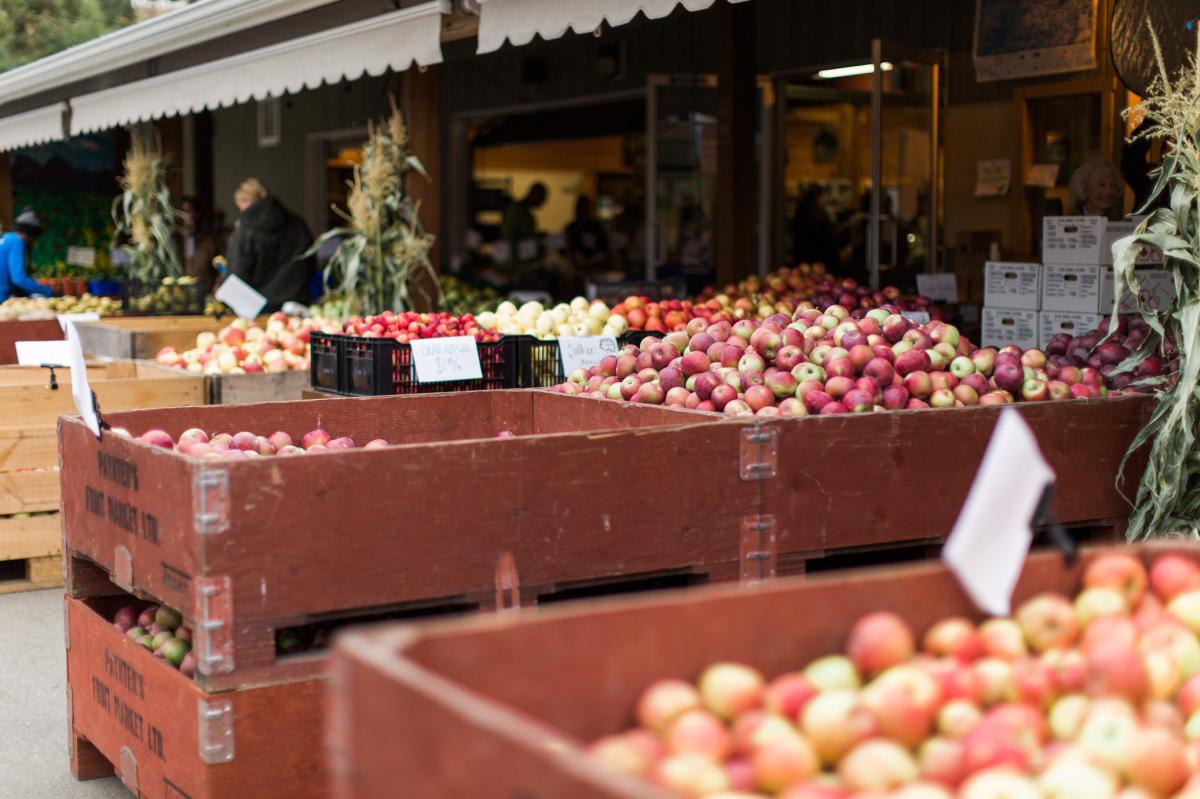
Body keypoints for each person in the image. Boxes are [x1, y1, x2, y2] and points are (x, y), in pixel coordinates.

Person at [225, 178, 315, 311]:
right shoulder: (299, 225)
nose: (241, 211)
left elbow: (237, 275)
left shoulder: (245, 231)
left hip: (256, 310)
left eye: (240, 205)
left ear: (246, 201)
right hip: (295, 307)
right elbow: (311, 263)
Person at [0, 209, 53, 302]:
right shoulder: (17, 241)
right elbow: (19, 279)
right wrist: (49, 292)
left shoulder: (7, 237)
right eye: (34, 238)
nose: (33, 242)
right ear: (30, 235)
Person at [499, 182, 547, 271]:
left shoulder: (516, 209)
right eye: (542, 199)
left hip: (514, 260)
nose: (542, 202)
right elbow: (525, 237)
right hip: (514, 262)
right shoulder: (520, 212)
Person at [180, 196, 222, 297]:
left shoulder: (210, 240)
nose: (183, 216)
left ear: (197, 213)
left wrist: (218, 284)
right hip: (182, 294)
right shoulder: (176, 239)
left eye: (188, 211)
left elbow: (222, 266)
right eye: (181, 212)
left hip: (206, 292)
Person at [565, 195, 609, 271]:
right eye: (582, 207)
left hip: (596, 258)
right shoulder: (572, 228)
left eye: (586, 207)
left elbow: (603, 246)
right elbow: (570, 247)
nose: (584, 210)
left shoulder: (596, 226)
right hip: (577, 259)